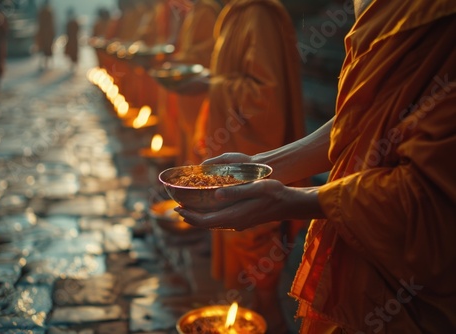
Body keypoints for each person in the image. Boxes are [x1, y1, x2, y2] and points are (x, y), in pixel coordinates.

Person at [176, 0, 456, 332]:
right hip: (353, 226)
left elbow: (429, 196)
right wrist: (259, 165)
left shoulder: (439, 15)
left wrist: (293, 201)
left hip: (407, 266)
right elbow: (365, 118)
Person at [178, 0, 307, 332]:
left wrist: (210, 84)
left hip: (254, 144)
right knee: (234, 233)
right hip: (238, 150)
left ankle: (265, 317)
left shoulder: (258, 15)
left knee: (254, 246)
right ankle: (243, 313)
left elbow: (264, 96)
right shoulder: (235, 12)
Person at [171, 0, 222, 165]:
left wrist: (181, 59)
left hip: (200, 85)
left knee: (200, 144)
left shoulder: (207, 11)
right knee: (189, 137)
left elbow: (209, 49)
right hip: (189, 84)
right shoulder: (193, 11)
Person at [36, 0, 55, 70]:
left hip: (46, 34)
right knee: (43, 50)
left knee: (47, 50)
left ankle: (47, 64)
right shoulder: (45, 12)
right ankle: (44, 64)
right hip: (44, 34)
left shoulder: (47, 12)